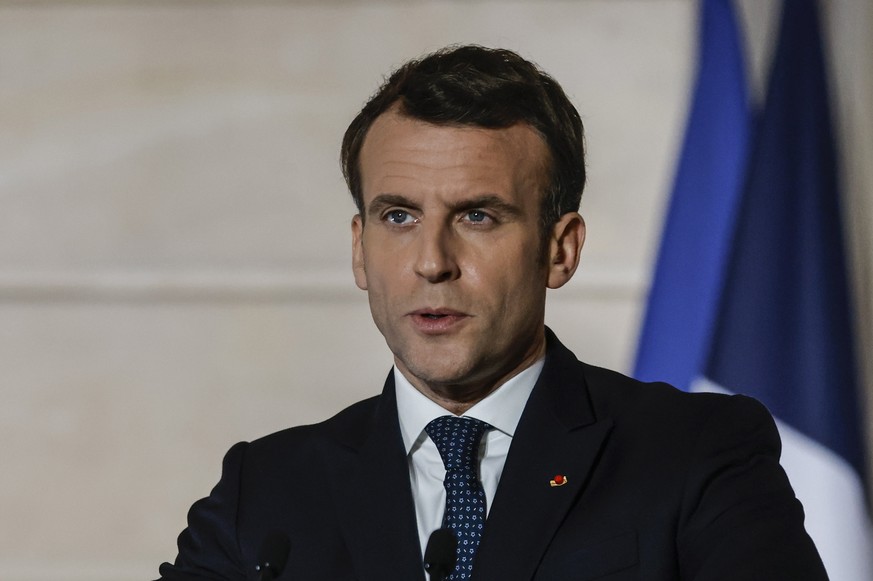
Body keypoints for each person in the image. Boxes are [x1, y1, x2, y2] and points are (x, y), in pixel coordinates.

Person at [157, 45, 828, 580]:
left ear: (558, 250)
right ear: (360, 250)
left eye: (477, 215)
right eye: (398, 216)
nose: (431, 261)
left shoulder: (694, 454)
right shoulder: (266, 493)